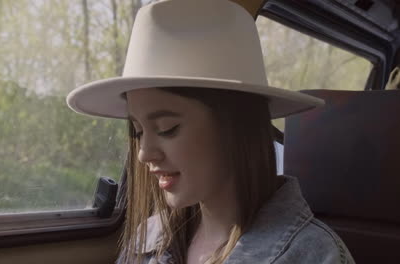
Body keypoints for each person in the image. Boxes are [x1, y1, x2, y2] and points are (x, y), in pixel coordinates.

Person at [67, 0, 355, 263]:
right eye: (139, 131)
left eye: (168, 128)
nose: (144, 153)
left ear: (237, 128)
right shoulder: (150, 236)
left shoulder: (315, 255)